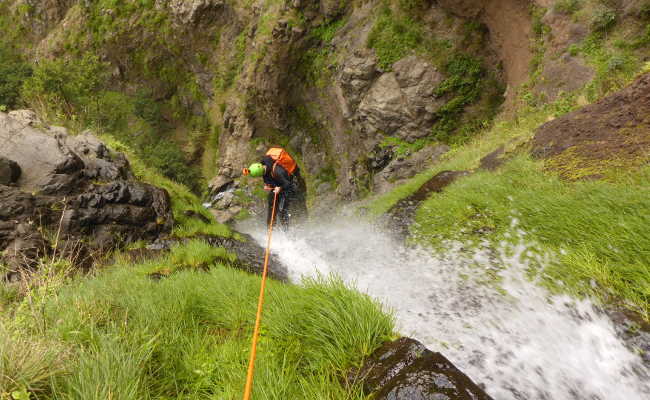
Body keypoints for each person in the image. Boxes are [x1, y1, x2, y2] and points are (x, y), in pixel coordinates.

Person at [243, 147, 307, 230]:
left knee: (282, 210)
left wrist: (279, 188)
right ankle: (270, 226)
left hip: (290, 184)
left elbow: (288, 184)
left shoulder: (277, 171)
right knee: (271, 200)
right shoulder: (264, 165)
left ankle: (287, 231)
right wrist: (269, 186)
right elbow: (269, 178)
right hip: (280, 183)